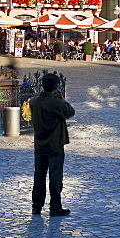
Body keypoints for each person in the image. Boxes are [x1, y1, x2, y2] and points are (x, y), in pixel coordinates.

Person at [29, 73, 75, 216]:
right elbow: (70, 112)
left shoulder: (34, 102)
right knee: (55, 177)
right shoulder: (56, 103)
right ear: (56, 87)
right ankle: (55, 206)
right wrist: (60, 98)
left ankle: (37, 206)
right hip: (55, 144)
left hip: (39, 144)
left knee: (39, 176)